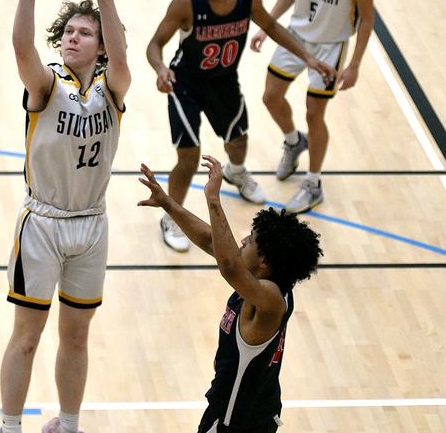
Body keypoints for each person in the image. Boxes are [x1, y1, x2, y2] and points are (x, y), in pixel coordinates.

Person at [0, 0, 129, 433]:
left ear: (101, 46)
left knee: (76, 336)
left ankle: (69, 424)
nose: (74, 37)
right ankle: (11, 427)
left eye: (85, 32)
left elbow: (121, 55)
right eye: (69, 31)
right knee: (27, 337)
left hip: (92, 225)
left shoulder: (113, 88)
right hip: (43, 225)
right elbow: (20, 48)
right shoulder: (47, 85)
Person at [146, 0, 336, 252]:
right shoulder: (186, 2)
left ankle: (236, 172)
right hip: (186, 85)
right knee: (189, 158)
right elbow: (154, 44)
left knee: (238, 141)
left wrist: (308, 57)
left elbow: (274, 27)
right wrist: (161, 69)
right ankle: (172, 218)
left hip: (224, 81)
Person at [137, 156, 323, 433]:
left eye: (252, 239)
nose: (244, 240)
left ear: (265, 262)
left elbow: (229, 266)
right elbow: (212, 241)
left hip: (236, 421)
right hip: (251, 408)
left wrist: (213, 198)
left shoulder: (271, 300)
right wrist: (168, 204)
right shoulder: (266, 282)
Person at [250, 0, 374, 213]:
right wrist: (268, 25)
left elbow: (368, 19)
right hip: (295, 38)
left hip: (331, 46)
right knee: (270, 97)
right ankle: (294, 142)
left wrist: (355, 65)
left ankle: (313, 182)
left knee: (314, 113)